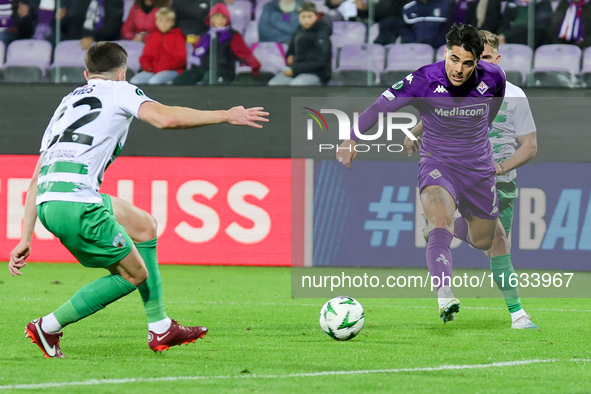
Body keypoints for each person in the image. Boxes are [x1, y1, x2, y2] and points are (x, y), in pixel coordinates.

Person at [8, 41, 268, 358]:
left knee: (145, 226)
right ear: (123, 73)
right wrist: (225, 115)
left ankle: (160, 327)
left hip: (51, 199)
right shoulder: (120, 90)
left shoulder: (66, 104)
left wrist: (25, 237)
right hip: (77, 203)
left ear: (86, 73)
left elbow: (37, 177)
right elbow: (166, 118)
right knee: (134, 275)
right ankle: (47, 326)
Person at [337, 23, 505, 323]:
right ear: (445, 53)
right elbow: (379, 108)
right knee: (439, 220)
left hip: (478, 168)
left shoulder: (494, 78)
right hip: (438, 163)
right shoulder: (423, 79)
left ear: (478, 62)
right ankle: (444, 294)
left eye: (467, 63)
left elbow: (489, 114)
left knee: (483, 240)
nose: (459, 69)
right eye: (454, 59)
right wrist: (352, 138)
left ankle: (447, 228)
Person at [409, 30, 539, 329]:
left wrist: (501, 167)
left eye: (487, 60)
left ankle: (444, 230)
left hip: (498, 179)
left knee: (493, 242)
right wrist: (412, 133)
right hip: (457, 170)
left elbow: (530, 145)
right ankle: (518, 315)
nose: (481, 68)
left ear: (498, 59)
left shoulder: (514, 95)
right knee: (493, 240)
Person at [172, 3, 260, 85]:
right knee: (179, 81)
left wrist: (254, 67)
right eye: (217, 16)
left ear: (227, 19)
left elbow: (244, 53)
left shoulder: (232, 35)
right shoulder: (206, 35)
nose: (220, 20)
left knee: (209, 80)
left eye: (223, 17)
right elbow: (198, 53)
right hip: (203, 68)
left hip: (223, 69)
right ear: (211, 19)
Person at [268, 2, 332, 86]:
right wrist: (289, 56)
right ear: (299, 17)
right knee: (273, 84)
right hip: (296, 69)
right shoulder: (298, 30)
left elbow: (320, 61)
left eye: (309, 16)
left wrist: (295, 70)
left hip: (316, 72)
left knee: (296, 85)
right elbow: (291, 49)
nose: (306, 20)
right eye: (303, 17)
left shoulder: (322, 33)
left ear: (316, 17)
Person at [130, 7, 186, 85]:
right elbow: (145, 56)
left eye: (167, 20)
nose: (164, 23)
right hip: (153, 70)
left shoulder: (178, 36)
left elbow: (181, 59)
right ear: (156, 22)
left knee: (154, 81)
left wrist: (161, 67)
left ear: (172, 22)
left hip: (172, 70)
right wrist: (148, 67)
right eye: (161, 20)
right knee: (134, 81)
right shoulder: (153, 36)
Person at [60, 0, 124, 50]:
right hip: (80, 40)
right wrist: (63, 19)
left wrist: (92, 37)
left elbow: (112, 26)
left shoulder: (115, 2)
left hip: (104, 44)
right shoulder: (82, 2)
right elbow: (75, 21)